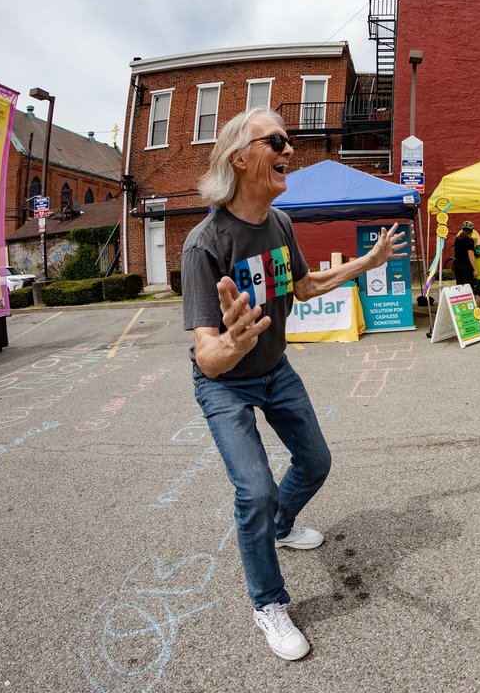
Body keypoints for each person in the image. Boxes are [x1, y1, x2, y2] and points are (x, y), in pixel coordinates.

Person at [181, 108, 406, 660]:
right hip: (226, 386)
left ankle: (281, 525)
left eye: (290, 141)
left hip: (275, 370)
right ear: (240, 157)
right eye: (278, 141)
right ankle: (268, 602)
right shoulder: (204, 244)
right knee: (254, 490)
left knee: (316, 462)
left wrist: (368, 261)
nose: (290, 150)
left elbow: (305, 287)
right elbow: (207, 356)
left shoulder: (279, 224)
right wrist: (231, 344)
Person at [452, 221, 477, 293]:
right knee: (468, 288)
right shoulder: (469, 241)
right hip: (466, 267)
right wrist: (475, 269)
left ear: (462, 229)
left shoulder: (457, 239)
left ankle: (460, 303)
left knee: (459, 287)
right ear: (471, 231)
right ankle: (468, 303)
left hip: (457, 266)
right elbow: (471, 256)